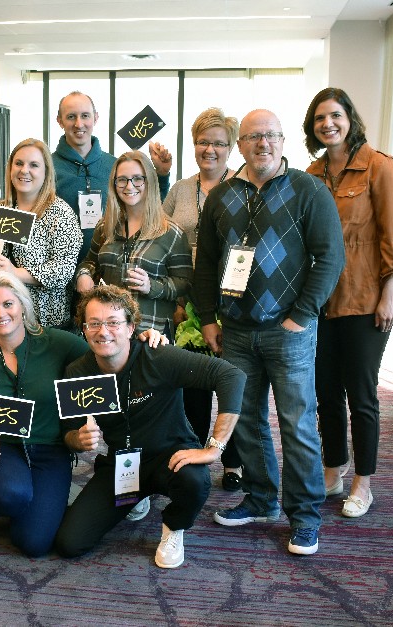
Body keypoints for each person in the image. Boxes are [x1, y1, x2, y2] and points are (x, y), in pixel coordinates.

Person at [192, 109, 345, 556]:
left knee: (297, 424)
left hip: (290, 331)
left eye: (271, 135)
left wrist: (301, 315)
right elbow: (205, 266)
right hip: (236, 332)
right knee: (246, 419)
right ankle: (261, 499)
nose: (263, 143)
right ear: (239, 145)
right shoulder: (221, 196)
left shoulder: (309, 190)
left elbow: (329, 258)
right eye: (253, 136)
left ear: (283, 141)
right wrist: (206, 318)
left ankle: (305, 516)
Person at [55, 285, 245, 567]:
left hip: (171, 456)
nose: (103, 331)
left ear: (131, 327)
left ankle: (173, 527)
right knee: (70, 543)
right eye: (94, 323)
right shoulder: (77, 373)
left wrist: (214, 449)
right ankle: (135, 498)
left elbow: (232, 376)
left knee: (194, 481)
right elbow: (67, 434)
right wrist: (77, 439)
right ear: (84, 329)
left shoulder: (158, 355)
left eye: (113, 323)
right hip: (123, 464)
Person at [303, 88, 393, 518]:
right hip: (321, 303)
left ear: (350, 118)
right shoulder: (312, 172)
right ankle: (334, 468)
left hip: (365, 300)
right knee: (324, 391)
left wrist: (389, 292)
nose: (328, 123)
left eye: (335, 115)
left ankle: (364, 482)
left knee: (361, 394)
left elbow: (391, 236)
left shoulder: (379, 167)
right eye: (320, 118)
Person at [0, 270, 89, 557]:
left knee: (33, 544)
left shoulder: (57, 342)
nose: (0, 313)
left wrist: (143, 337)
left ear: (23, 305)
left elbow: (105, 351)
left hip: (50, 448)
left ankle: (15, 502)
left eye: (8, 304)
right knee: (9, 494)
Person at [162, 107, 244, 490]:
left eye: (218, 143)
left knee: (232, 382)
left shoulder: (244, 187)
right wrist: (176, 301)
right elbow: (162, 238)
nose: (209, 149)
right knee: (193, 386)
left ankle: (233, 460)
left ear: (232, 147)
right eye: (202, 141)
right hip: (188, 301)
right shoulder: (179, 189)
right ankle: (193, 453)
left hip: (234, 300)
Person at [74, 150, 192, 336]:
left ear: (150, 182)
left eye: (137, 179)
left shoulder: (171, 232)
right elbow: (90, 262)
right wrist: (83, 274)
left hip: (152, 332)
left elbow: (184, 283)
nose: (129, 186)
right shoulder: (106, 226)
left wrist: (150, 286)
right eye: (122, 180)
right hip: (109, 332)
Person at [51, 91, 172, 265]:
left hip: (110, 268)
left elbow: (148, 207)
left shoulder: (115, 167)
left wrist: (161, 176)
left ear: (96, 118)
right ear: (60, 121)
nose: (79, 124)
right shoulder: (46, 169)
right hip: (61, 273)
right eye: (71, 116)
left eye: (85, 116)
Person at [0, 138, 82, 329]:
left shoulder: (60, 213)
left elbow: (63, 271)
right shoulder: (0, 210)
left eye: (34, 165)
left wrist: (15, 273)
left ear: (46, 172)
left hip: (47, 326)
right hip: (4, 321)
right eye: (19, 163)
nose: (24, 170)